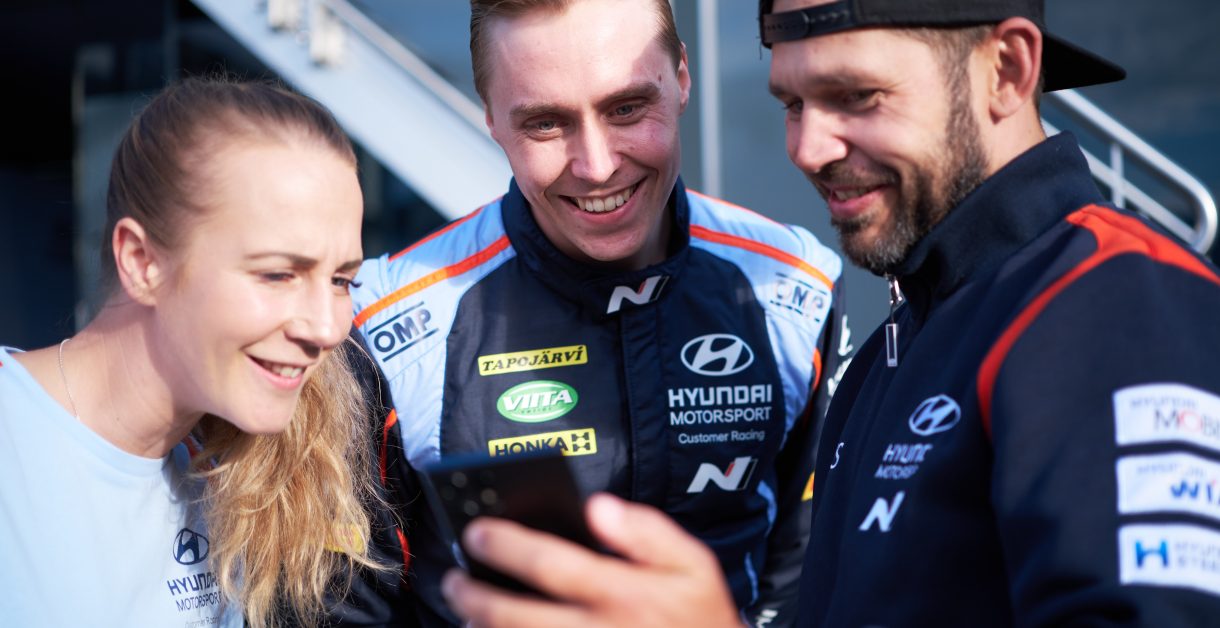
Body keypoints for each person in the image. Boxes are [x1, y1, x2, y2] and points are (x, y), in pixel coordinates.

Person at [438, 0, 1220, 626]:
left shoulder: (1117, 301)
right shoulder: (901, 340)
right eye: (792, 102)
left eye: (855, 96)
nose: (808, 148)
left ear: (1007, 70)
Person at [347, 0, 848, 625]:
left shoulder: (795, 285)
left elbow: (815, 577)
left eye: (627, 108)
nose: (597, 166)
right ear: (491, 118)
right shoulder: (382, 324)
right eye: (545, 124)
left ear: (682, 78)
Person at [0, 77, 382, 628]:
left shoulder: (235, 475)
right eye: (277, 274)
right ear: (141, 262)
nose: (325, 328)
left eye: (342, 280)